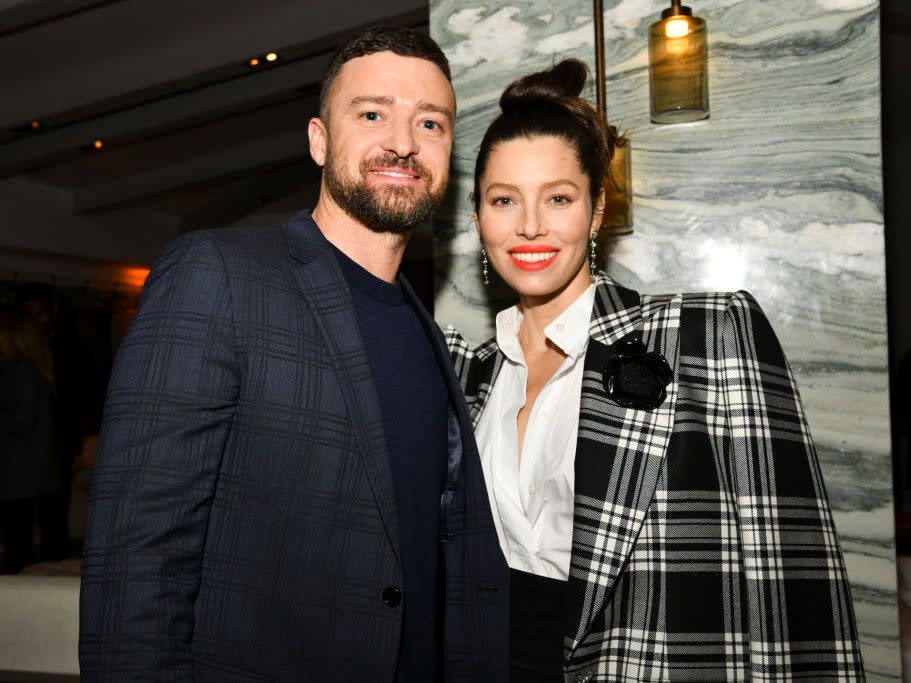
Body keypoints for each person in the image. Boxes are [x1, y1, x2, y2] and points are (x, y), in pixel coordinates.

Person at [79, 25, 508, 682]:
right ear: (318, 139)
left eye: (430, 123)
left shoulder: (427, 331)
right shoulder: (219, 274)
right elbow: (137, 556)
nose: (402, 142)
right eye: (372, 114)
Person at [447, 59, 864, 682]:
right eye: (504, 200)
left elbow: (789, 568)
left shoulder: (704, 334)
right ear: (479, 218)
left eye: (558, 198)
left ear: (595, 211)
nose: (529, 224)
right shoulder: (464, 377)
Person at [0, 310, 61, 574]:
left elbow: (22, 422)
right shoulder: (29, 369)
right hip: (27, 472)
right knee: (24, 540)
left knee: (19, 543)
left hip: (20, 473)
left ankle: (20, 601)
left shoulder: (21, 370)